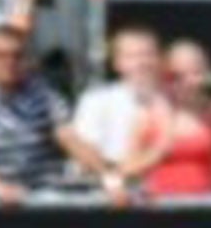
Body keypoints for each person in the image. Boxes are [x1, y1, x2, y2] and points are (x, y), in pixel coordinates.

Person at [0, 22, 89, 202]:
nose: (9, 62)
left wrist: (108, 174)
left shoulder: (45, 96)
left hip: (37, 192)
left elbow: (69, 137)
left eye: (17, 55)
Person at [130, 39, 211, 198]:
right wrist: (160, 149)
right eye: (176, 76)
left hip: (205, 208)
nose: (187, 82)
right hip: (159, 209)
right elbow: (127, 169)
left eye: (195, 73)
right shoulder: (148, 115)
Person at [71, 25, 168, 199]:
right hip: (112, 196)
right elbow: (85, 153)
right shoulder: (96, 100)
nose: (142, 62)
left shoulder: (173, 102)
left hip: (170, 195)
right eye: (132, 56)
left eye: (148, 54)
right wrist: (115, 177)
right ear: (117, 63)